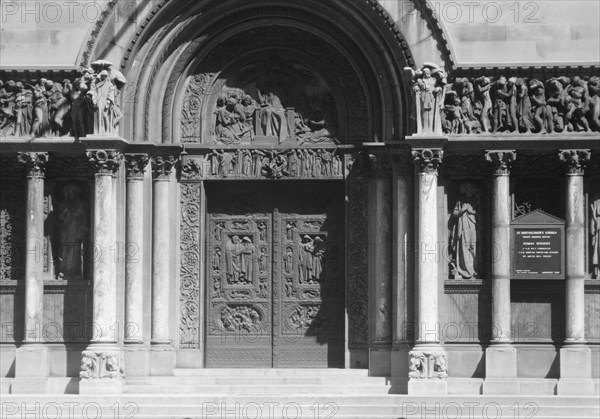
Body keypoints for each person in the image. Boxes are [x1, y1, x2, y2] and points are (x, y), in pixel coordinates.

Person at [450, 182, 481, 279]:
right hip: (462, 227)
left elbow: (482, 215)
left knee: (472, 247)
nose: (468, 190)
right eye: (466, 188)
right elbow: (455, 214)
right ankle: (463, 269)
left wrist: (473, 212)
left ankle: (473, 269)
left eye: (470, 187)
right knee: (463, 247)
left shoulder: (477, 200)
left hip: (473, 226)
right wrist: (462, 210)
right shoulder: (460, 201)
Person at [58, 184, 88, 279]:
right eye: (71, 191)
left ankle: (74, 271)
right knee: (65, 250)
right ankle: (64, 269)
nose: (72, 194)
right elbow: (60, 217)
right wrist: (65, 211)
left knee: (75, 251)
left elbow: (84, 218)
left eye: (74, 192)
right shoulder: (64, 204)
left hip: (76, 230)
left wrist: (82, 230)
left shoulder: (80, 204)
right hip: (66, 231)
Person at [592, 194, 600, 278]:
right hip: (598, 227)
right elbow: (594, 213)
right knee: (598, 249)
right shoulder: (596, 200)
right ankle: (597, 272)